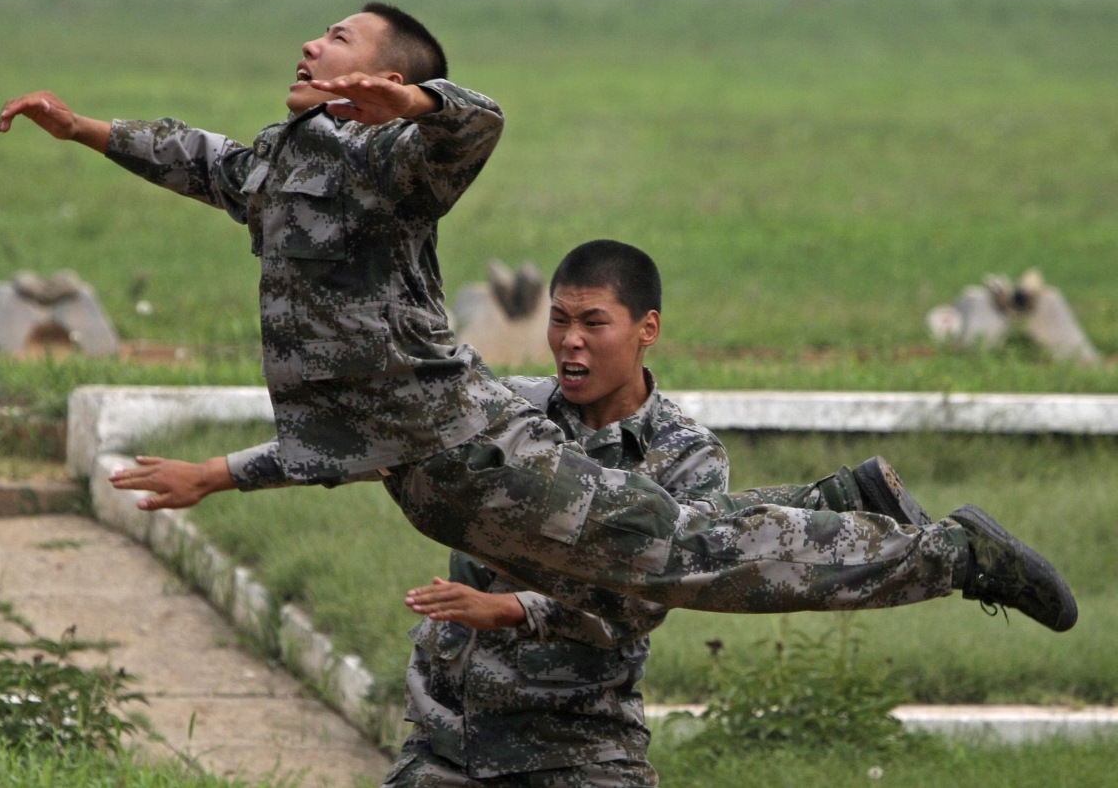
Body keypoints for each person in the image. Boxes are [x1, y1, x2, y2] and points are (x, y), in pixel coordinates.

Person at [0, 2, 1077, 634]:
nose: (311, 46)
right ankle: (840, 501)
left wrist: (417, 107)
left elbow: (480, 123)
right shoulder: (275, 165)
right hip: (434, 479)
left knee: (686, 561)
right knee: (666, 548)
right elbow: (189, 154)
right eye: (316, 34)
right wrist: (80, 128)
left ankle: (952, 555)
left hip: (476, 452)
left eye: (338, 37)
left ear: (378, 75)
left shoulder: (391, 169)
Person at [387, 239, 928, 787]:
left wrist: (511, 609)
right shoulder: (509, 410)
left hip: (579, 741)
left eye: (593, 323)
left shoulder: (687, 454)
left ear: (647, 329)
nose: (570, 341)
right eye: (559, 320)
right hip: (451, 737)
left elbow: (646, 597)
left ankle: (852, 508)